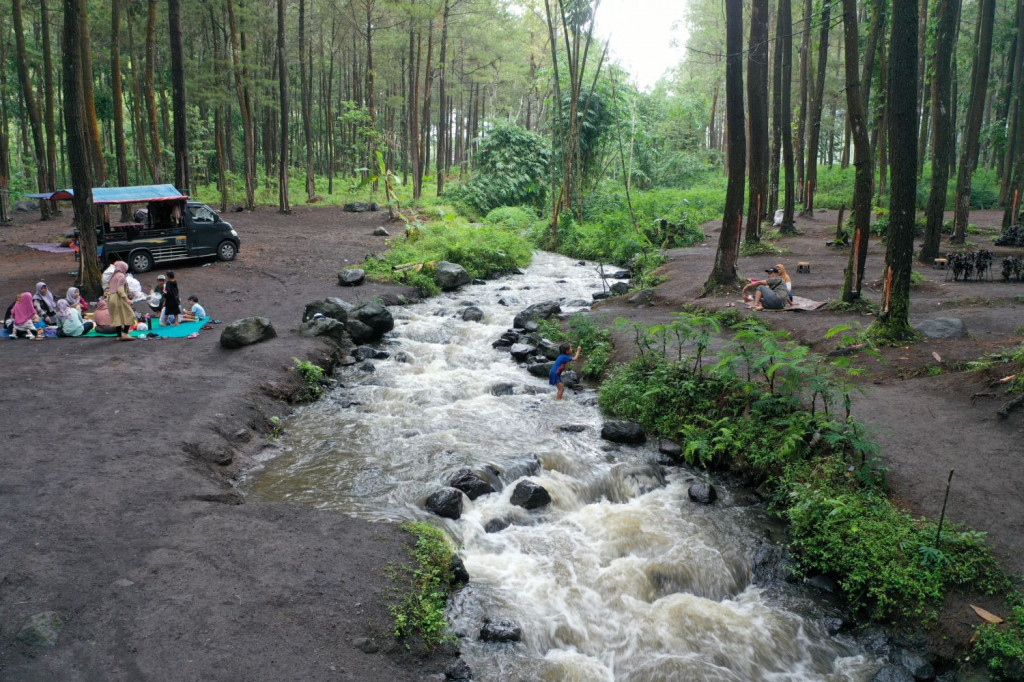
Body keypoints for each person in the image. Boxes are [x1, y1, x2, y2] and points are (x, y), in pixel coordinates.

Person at [104, 261, 137, 341]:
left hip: (111, 298)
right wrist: (127, 299)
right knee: (130, 314)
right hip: (118, 298)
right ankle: (125, 333)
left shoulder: (113, 275)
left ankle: (119, 335)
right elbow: (120, 289)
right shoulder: (121, 276)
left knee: (116, 317)